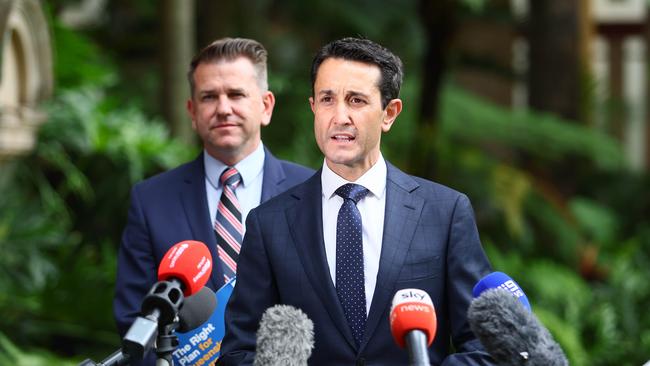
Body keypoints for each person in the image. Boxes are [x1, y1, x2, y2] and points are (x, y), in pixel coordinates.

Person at [219, 37, 495, 365]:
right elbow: (239, 352)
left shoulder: (445, 213)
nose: (339, 116)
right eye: (327, 99)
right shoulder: (269, 224)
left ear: (389, 113)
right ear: (313, 108)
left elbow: (484, 346)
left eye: (356, 100)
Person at [113, 38, 314, 347]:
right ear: (192, 112)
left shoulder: (312, 193)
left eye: (236, 94)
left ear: (266, 106)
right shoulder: (151, 201)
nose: (223, 108)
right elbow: (133, 318)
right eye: (209, 97)